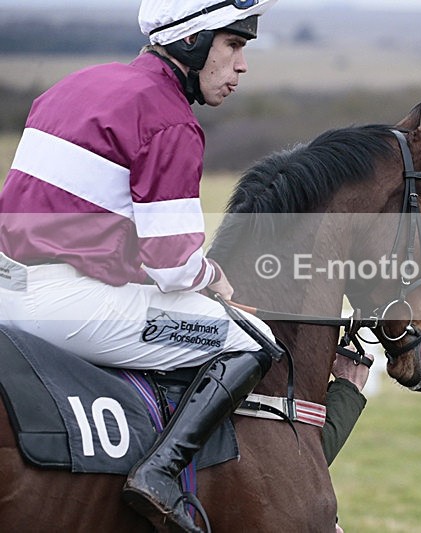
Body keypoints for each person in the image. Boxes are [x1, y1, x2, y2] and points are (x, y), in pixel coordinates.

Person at [0, 0, 365, 531]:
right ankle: (161, 474)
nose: (242, 66)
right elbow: (172, 263)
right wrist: (214, 278)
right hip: (64, 304)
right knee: (252, 339)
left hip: (8, 284)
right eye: (234, 46)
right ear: (193, 43)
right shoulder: (168, 118)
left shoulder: (73, 86)